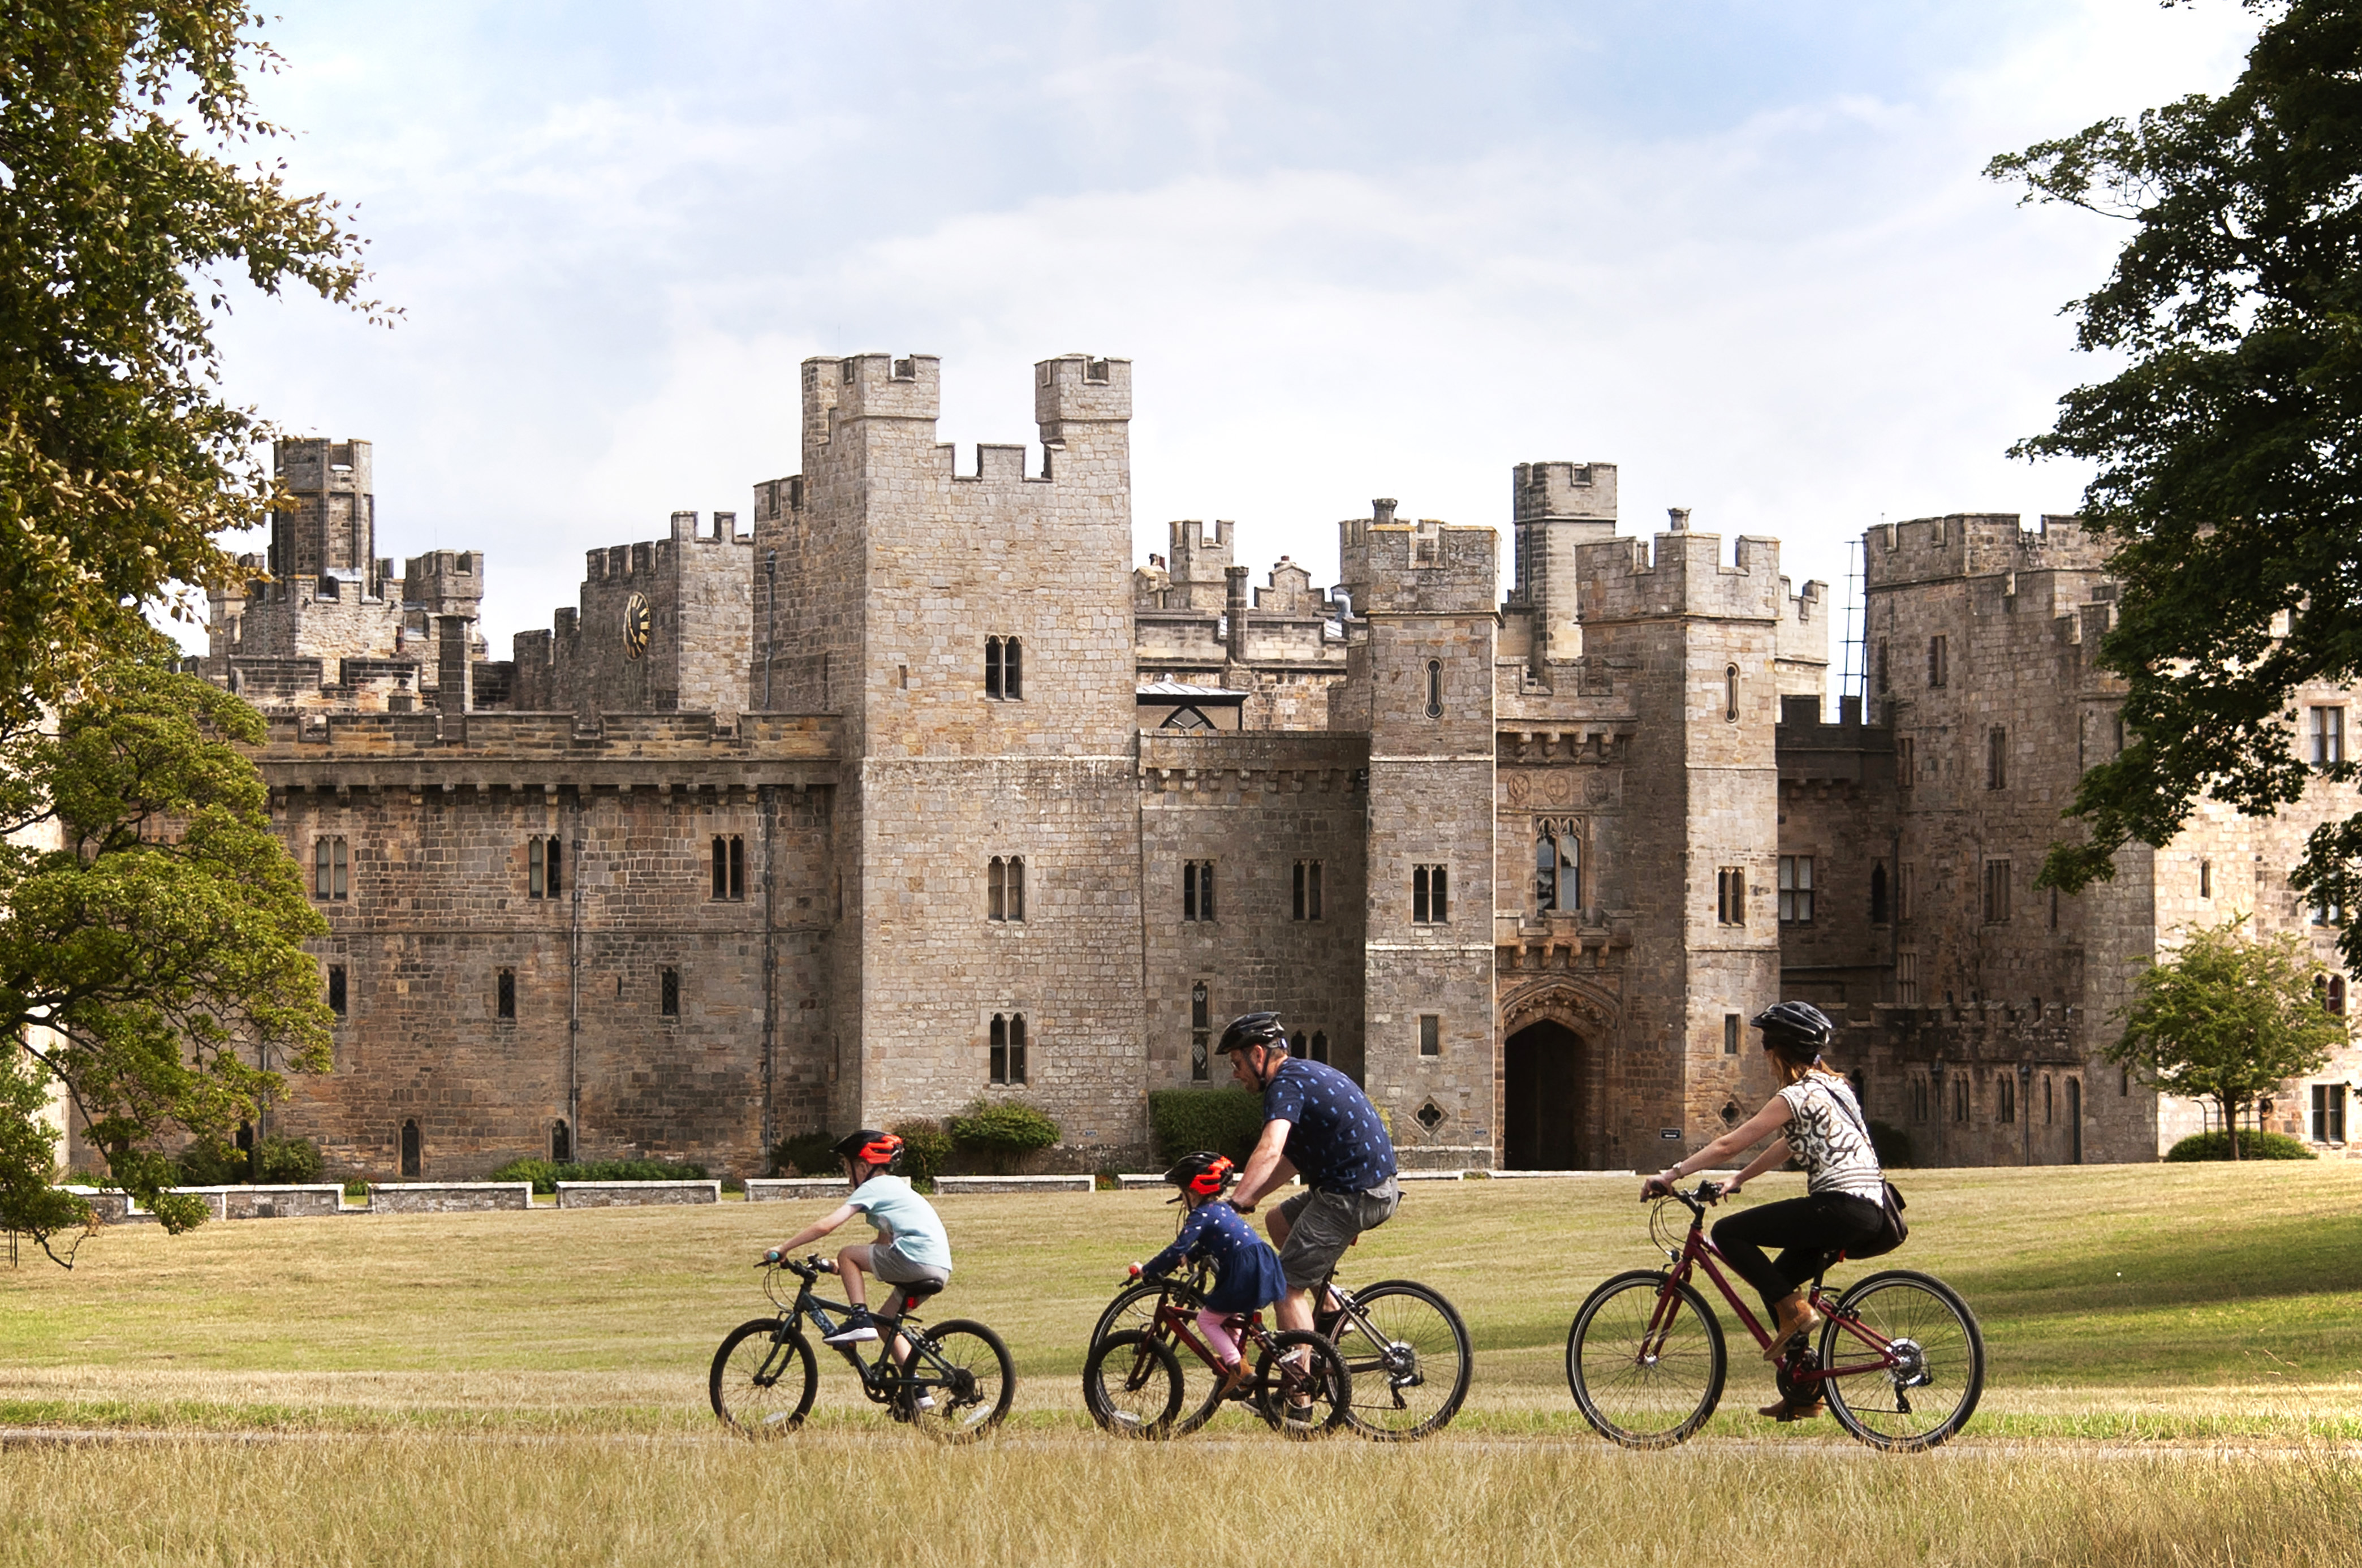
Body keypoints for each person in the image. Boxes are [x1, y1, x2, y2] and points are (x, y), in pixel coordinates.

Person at [1641, 1001, 1887, 1421]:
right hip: (1871, 1208)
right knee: (1779, 1281)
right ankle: (1805, 1390)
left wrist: (1673, 1173)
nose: (1762, 1052)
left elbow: (1729, 1144)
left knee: (1729, 1234)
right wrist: (1739, 1180)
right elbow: (1789, 1145)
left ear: (1778, 1051)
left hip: (1839, 1205)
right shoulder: (1836, 1088)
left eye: (1765, 1045)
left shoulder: (1796, 1095)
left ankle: (1795, 1313)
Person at [1219, 1010, 1399, 1338]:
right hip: (1364, 1188)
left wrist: (1235, 1201)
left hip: (1354, 1195)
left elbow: (1271, 1148)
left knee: (1286, 1286)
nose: (1235, 1073)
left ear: (1258, 1054)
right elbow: (1291, 1160)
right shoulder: (1302, 1075)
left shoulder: (1284, 1086)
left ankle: (1298, 1387)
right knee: (1278, 1222)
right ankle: (1330, 1307)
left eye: (1236, 1063)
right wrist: (1253, 1198)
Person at [762, 1129, 953, 1350]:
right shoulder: (896, 1188)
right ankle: (917, 1384)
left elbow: (827, 1226)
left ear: (863, 1166)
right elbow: (883, 1244)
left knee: (848, 1254)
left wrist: (784, 1247)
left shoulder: (874, 1186)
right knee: (886, 1324)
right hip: (937, 1267)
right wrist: (839, 1266)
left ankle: (859, 1318)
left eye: (848, 1168)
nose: (849, 1178)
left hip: (914, 1258)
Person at [1131, 1151, 1287, 1396]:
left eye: (1182, 1193)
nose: (1181, 1199)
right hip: (1262, 1260)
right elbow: (1208, 1243)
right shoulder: (1220, 1209)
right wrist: (1191, 1257)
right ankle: (1239, 1362)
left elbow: (1176, 1249)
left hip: (1241, 1269)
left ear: (1192, 1192)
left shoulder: (1200, 1215)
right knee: (1230, 1317)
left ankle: (1236, 1367)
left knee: (1207, 1320)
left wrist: (1147, 1270)